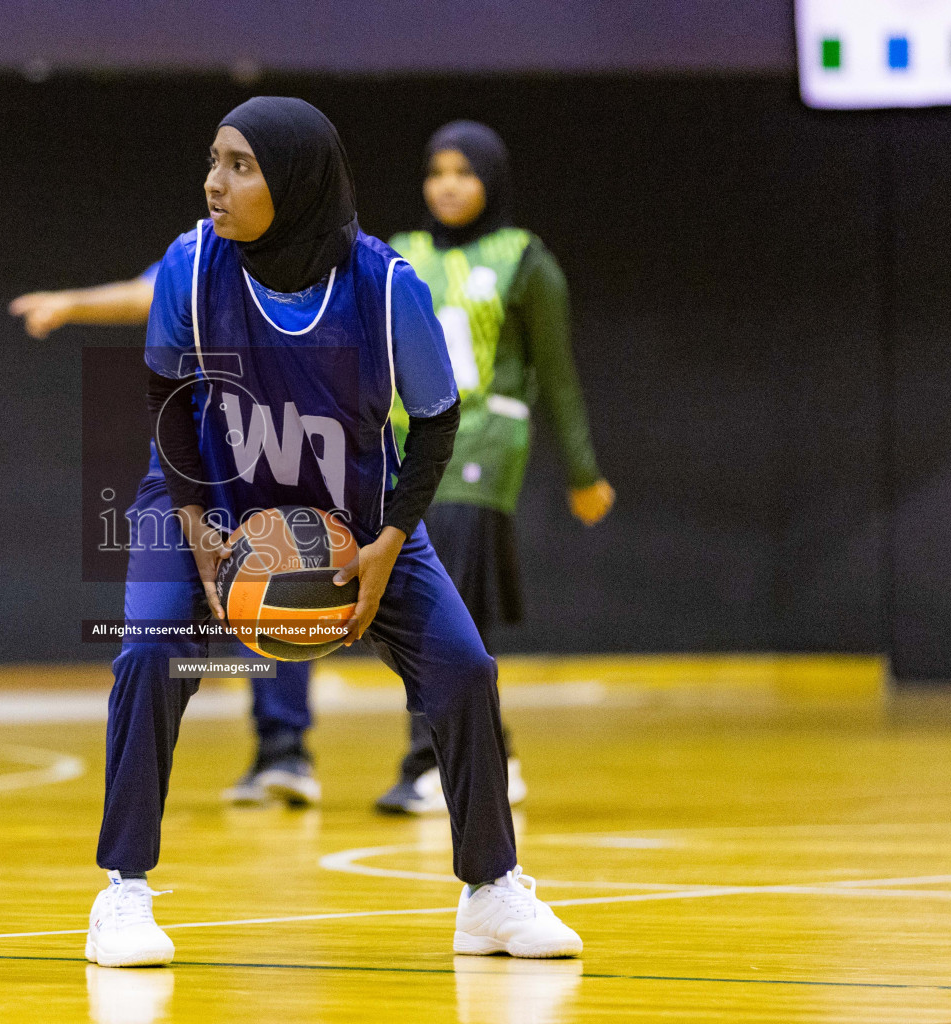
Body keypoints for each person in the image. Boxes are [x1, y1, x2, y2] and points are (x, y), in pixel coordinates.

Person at [84, 96, 583, 968]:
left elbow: (434, 419)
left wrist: (392, 538)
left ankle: (491, 892)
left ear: (300, 182)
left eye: (240, 166)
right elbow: (167, 398)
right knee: (150, 659)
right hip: (206, 500)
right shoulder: (190, 267)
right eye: (213, 161)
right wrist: (199, 528)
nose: (214, 182)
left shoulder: (384, 286)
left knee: (463, 669)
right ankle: (123, 892)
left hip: (355, 518)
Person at [12, 267, 321, 807]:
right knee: (156, 633)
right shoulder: (199, 256)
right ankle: (140, 801)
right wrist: (69, 301)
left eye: (242, 173)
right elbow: (142, 296)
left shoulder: (309, 263)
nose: (221, 185)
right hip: (197, 466)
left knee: (278, 601)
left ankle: (284, 750)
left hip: (279, 453)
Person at [375, 122, 615, 816]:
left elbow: (559, 375)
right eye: (436, 171)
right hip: (404, 448)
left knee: (442, 604)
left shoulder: (524, 260)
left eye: (465, 172)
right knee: (414, 613)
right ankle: (494, 752)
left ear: (492, 181)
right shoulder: (399, 254)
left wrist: (582, 473)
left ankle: (431, 762)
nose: (447, 184)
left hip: (482, 443)